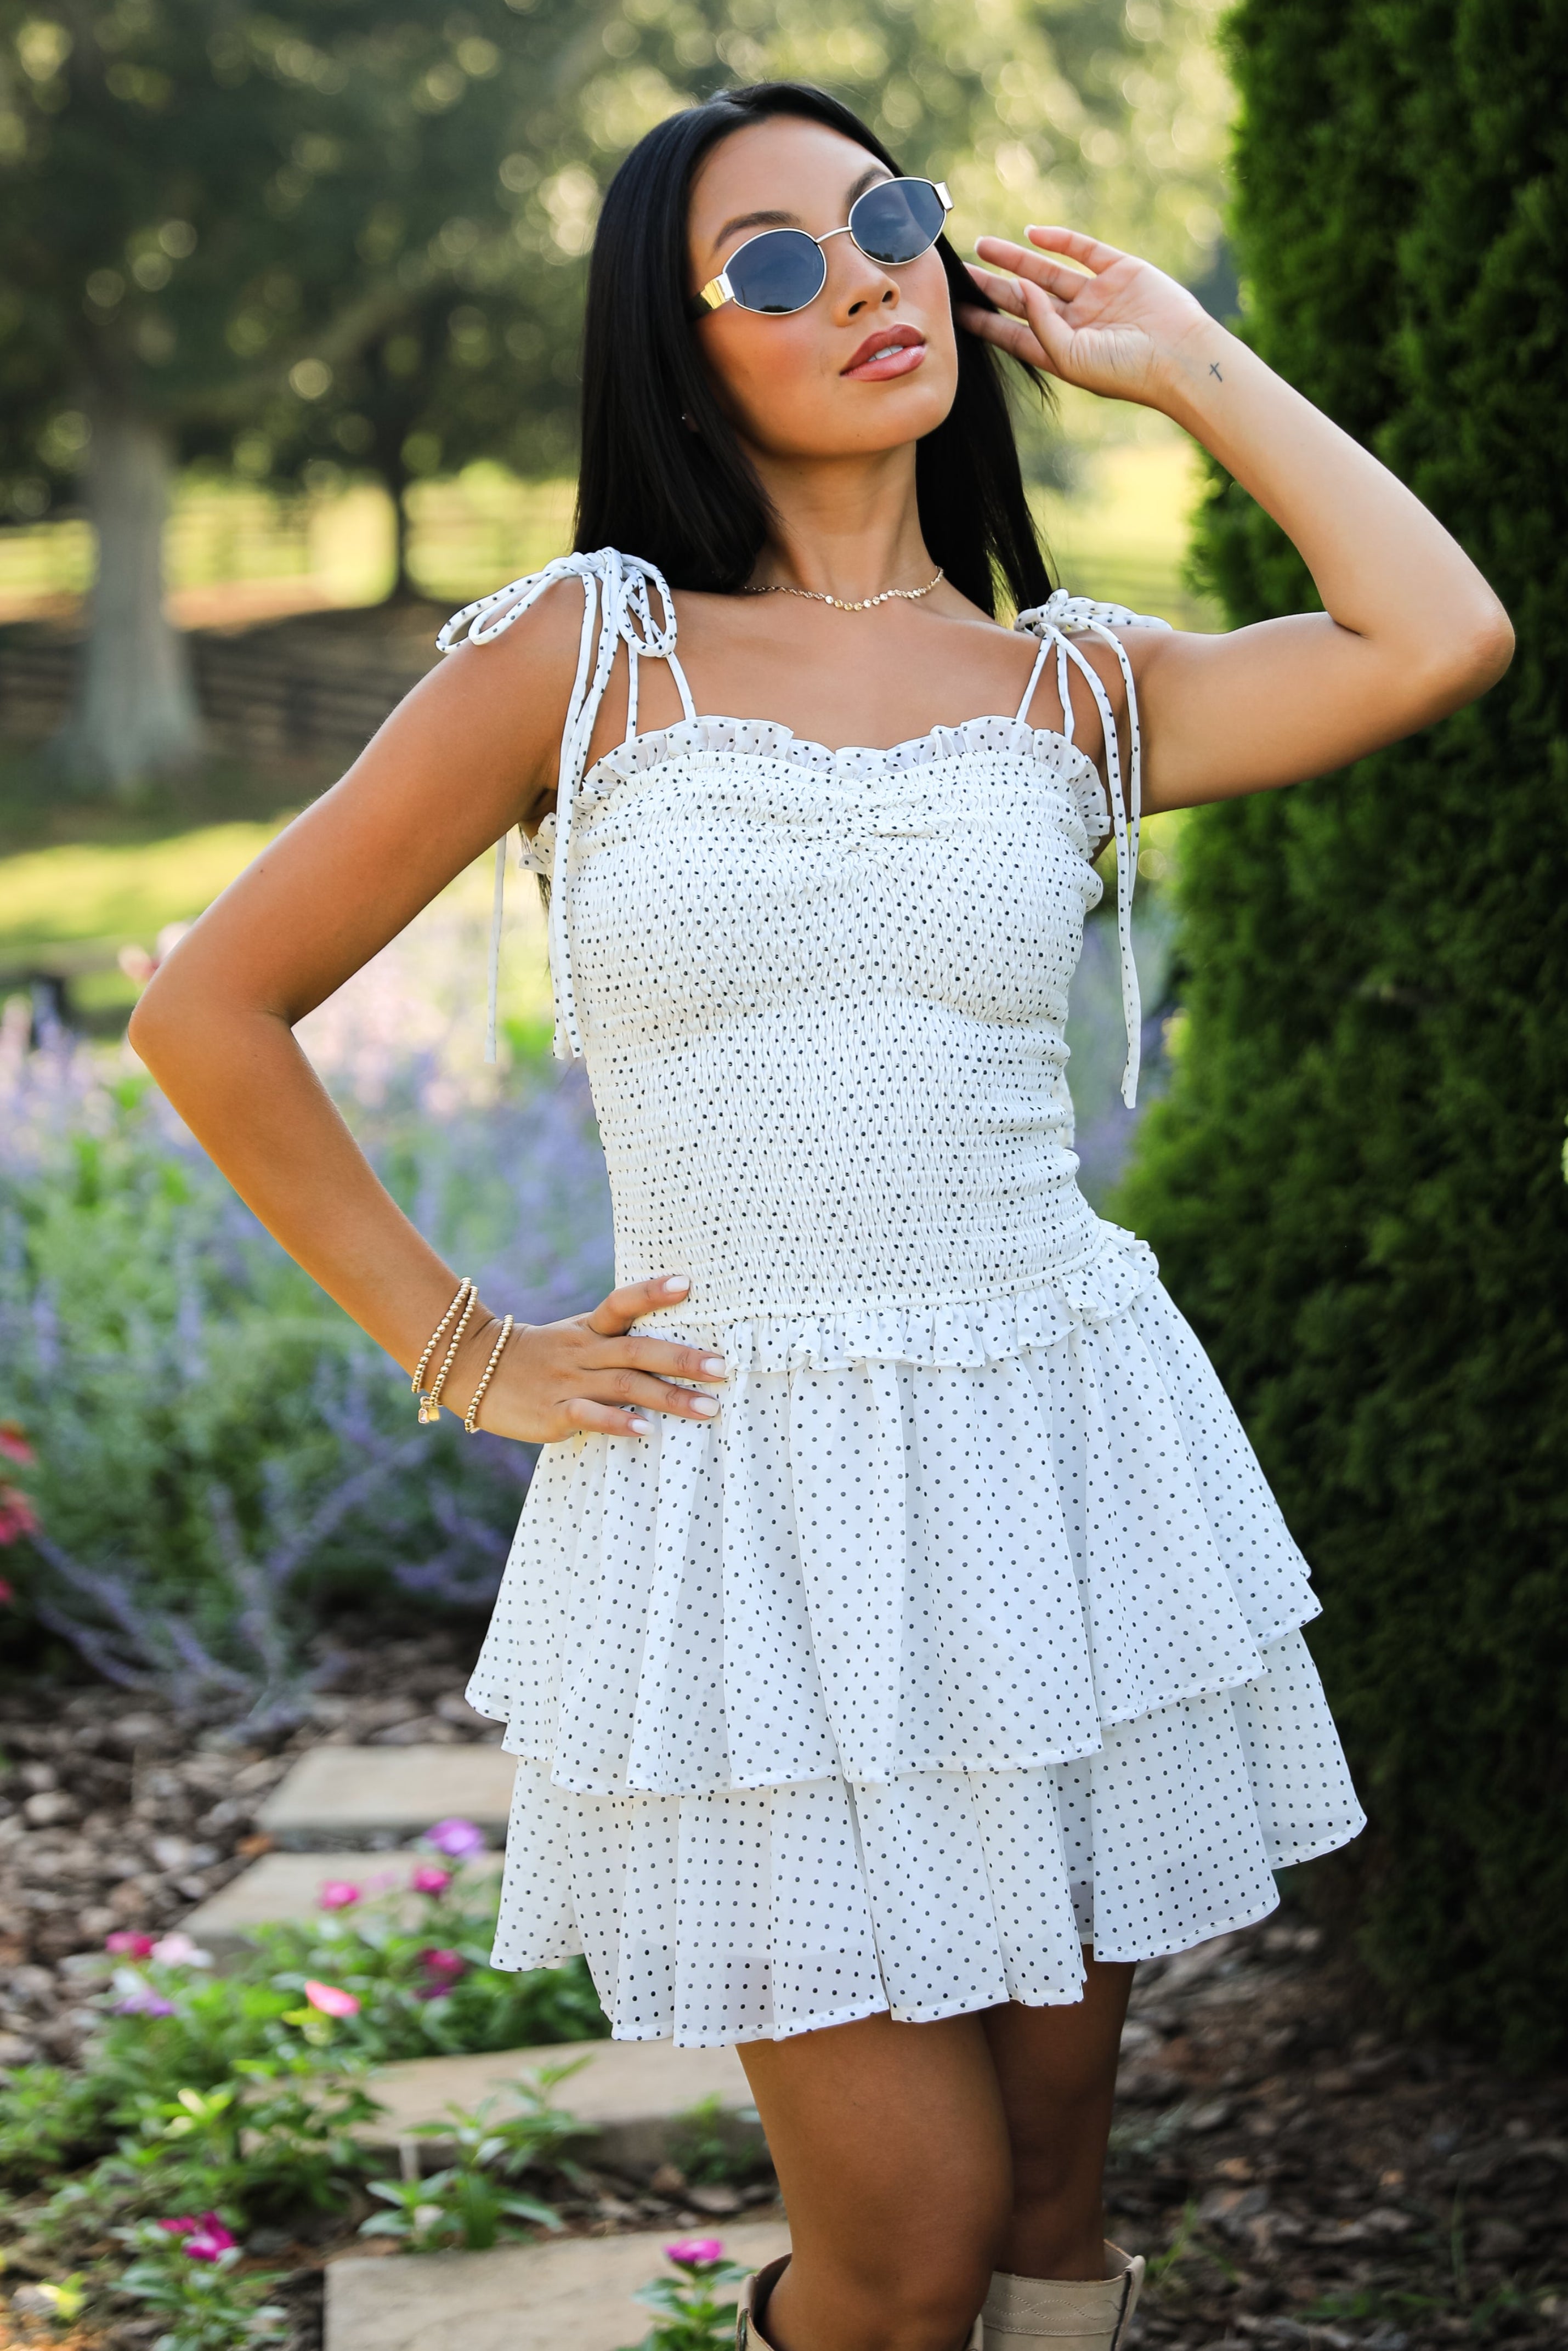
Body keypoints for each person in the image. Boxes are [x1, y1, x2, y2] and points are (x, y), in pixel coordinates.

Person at [131, 77, 1512, 2351]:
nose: (862, 275)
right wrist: (460, 1345)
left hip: (1051, 1462)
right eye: (772, 259)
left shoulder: (1071, 682)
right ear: (683, 351)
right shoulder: (584, 662)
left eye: (882, 217)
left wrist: (1186, 363)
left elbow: (1430, 636)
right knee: (908, 2238)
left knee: (1060, 2188)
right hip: (747, 1494)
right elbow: (211, 1008)